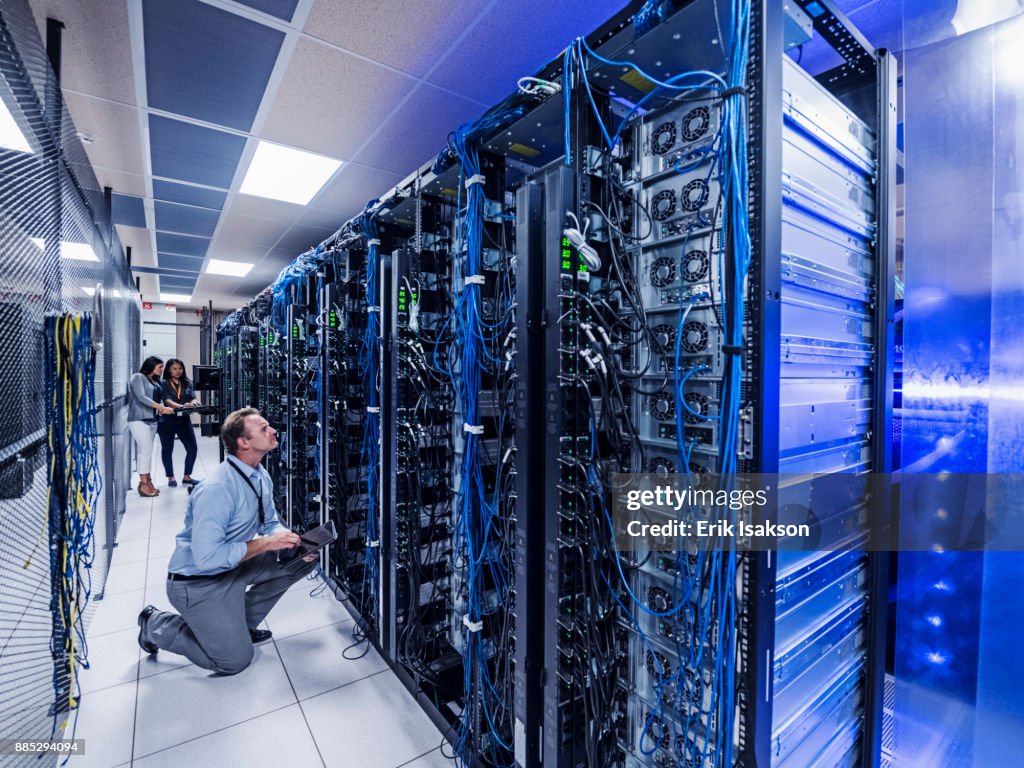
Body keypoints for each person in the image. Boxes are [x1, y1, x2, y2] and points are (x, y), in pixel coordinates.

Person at [136, 407, 317, 675]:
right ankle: (157, 624)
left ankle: (239, 627)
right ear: (244, 442)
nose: (273, 431)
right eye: (264, 428)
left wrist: (288, 540)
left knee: (299, 562)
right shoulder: (218, 489)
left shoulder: (257, 474)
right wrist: (267, 544)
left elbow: (270, 523)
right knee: (232, 662)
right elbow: (207, 558)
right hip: (198, 583)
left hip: (232, 566)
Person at [128, 356, 174, 497]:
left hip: (152, 420)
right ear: (151, 365)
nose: (162, 369)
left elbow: (155, 398)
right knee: (146, 450)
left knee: (145, 452)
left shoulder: (154, 381)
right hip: (138, 419)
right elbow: (141, 397)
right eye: (160, 366)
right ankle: (143, 483)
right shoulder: (138, 377)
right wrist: (161, 407)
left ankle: (148, 480)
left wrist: (160, 408)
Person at [158, 358, 201, 487]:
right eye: (174, 369)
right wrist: (181, 406)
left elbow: (192, 396)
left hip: (183, 420)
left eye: (180, 369)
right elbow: (167, 401)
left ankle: (187, 476)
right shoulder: (164, 383)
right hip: (167, 420)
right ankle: (171, 477)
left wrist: (193, 402)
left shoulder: (188, 383)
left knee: (192, 448)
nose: (178, 372)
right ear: (169, 370)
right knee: (167, 449)